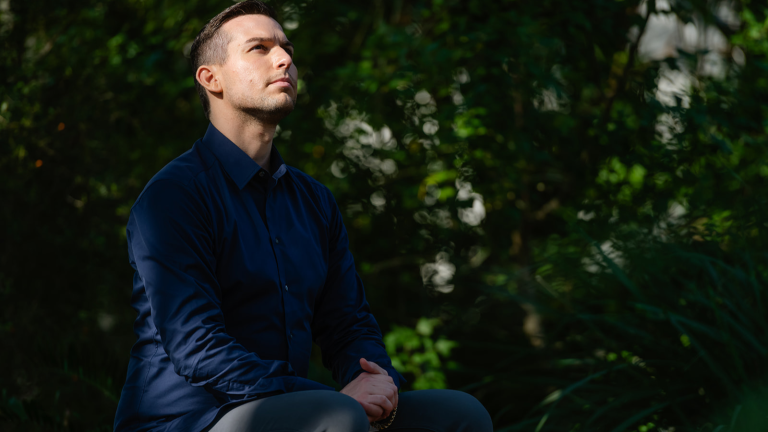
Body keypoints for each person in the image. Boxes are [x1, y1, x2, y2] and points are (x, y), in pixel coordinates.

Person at [113, 1, 493, 431]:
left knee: (460, 415)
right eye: (259, 48)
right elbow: (198, 346)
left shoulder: (315, 202)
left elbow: (348, 323)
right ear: (211, 78)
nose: (285, 59)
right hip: (187, 420)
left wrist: (375, 385)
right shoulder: (174, 196)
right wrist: (331, 398)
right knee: (336, 414)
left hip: (297, 407)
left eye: (287, 47)